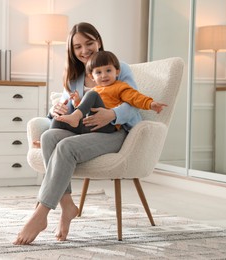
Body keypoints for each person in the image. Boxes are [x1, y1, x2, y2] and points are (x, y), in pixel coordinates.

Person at [13, 22, 142, 245]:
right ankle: (66, 206)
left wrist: (110, 115)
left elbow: (133, 105)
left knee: (66, 147)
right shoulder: (75, 76)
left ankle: (40, 213)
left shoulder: (119, 67)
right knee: (49, 137)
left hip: (114, 132)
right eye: (77, 47)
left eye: (89, 43)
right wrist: (55, 110)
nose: (84, 51)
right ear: (71, 50)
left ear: (99, 41)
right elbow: (67, 110)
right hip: (85, 131)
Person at [52, 50, 167, 134]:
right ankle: (44, 141)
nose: (104, 75)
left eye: (108, 70)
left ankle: (75, 117)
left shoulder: (120, 87)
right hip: (89, 124)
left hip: (107, 125)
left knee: (91, 95)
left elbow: (135, 97)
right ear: (92, 76)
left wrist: (151, 104)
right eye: (98, 72)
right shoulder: (95, 90)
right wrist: (77, 101)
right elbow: (85, 108)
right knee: (57, 121)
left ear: (117, 72)